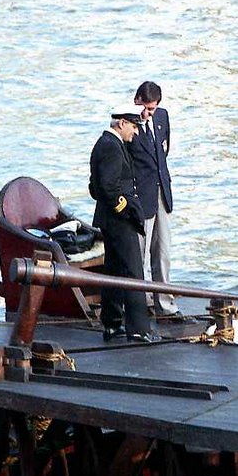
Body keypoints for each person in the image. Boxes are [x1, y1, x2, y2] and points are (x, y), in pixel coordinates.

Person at [89, 113, 161, 344]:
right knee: (132, 272)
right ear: (121, 124)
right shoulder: (111, 147)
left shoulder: (107, 143)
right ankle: (139, 328)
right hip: (119, 221)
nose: (135, 132)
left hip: (108, 221)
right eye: (133, 126)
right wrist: (126, 210)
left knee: (114, 270)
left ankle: (112, 323)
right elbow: (108, 188)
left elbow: (94, 186)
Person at [128, 80, 180, 318]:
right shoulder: (127, 123)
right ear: (136, 100)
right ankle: (142, 302)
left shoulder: (162, 117)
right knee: (140, 252)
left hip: (161, 192)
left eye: (152, 109)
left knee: (163, 250)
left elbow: (164, 151)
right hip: (141, 196)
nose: (147, 113)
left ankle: (166, 303)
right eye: (145, 108)